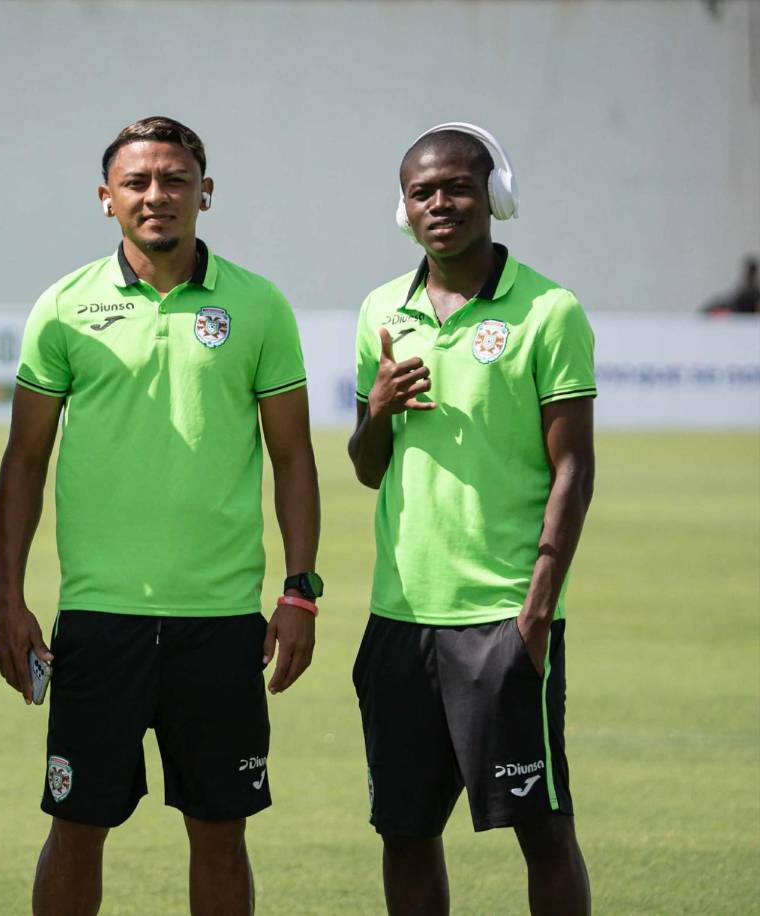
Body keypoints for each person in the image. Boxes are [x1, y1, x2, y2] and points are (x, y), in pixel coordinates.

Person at [0, 116, 321, 916]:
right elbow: (24, 460)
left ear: (205, 192)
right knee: (77, 825)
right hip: (101, 620)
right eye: (136, 182)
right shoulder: (65, 305)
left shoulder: (259, 305)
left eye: (174, 179)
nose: (156, 195)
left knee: (220, 830)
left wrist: (300, 590)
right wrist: (7, 595)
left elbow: (293, 459)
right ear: (106, 199)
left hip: (220, 620)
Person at [347, 122, 595, 916]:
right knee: (406, 832)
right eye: (423, 191)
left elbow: (574, 469)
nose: (441, 203)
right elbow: (366, 464)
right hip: (400, 617)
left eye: (458, 186)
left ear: (494, 195)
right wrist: (378, 409)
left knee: (541, 828)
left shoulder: (548, 312)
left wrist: (537, 609)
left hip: (503, 618)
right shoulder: (382, 310)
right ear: (404, 208)